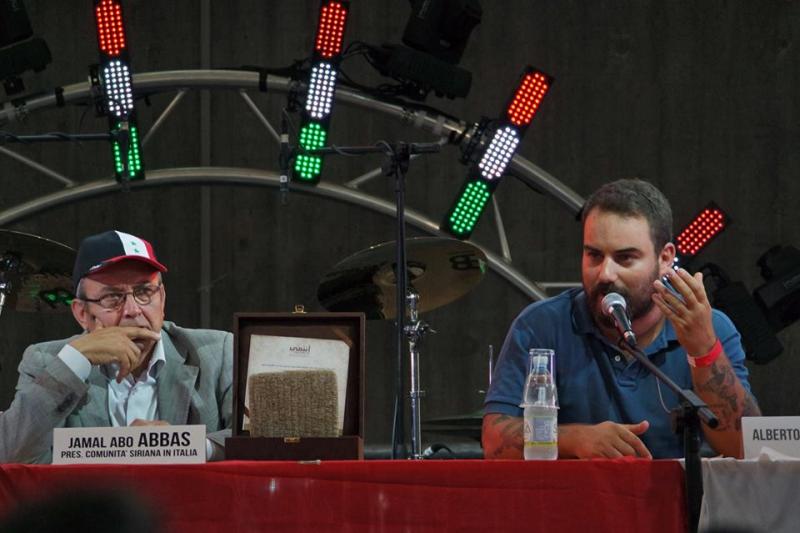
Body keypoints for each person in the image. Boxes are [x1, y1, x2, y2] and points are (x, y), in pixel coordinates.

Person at [483, 179, 761, 459]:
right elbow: (494, 441)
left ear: (665, 258)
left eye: (625, 258)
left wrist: (703, 350)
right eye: (594, 255)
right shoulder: (541, 324)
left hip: (671, 489)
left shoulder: (711, 328)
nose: (605, 274)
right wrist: (574, 439)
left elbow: (745, 449)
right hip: (572, 488)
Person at [0, 230, 232, 463]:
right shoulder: (46, 361)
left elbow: (252, 439)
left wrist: (184, 445)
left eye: (144, 292)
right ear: (82, 314)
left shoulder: (217, 353)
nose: (133, 310)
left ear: (161, 299)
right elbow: (12, 453)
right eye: (112, 297)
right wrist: (76, 360)